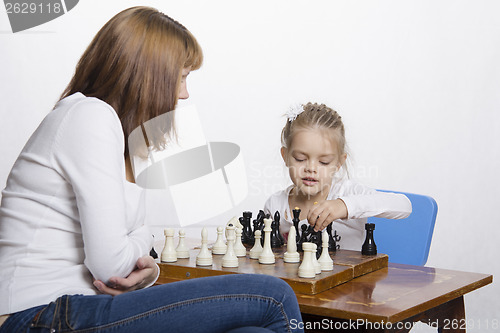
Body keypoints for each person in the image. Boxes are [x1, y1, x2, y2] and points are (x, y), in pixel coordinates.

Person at [0, 7, 303, 333]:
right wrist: (137, 243)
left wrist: (151, 269)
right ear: (149, 74)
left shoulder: (127, 140)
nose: (185, 93)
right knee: (274, 296)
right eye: (182, 76)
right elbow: (111, 265)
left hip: (80, 307)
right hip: (34, 314)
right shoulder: (90, 117)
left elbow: (140, 237)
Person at [264, 102, 412, 250]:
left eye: (324, 162)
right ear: (285, 156)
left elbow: (404, 206)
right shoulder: (275, 204)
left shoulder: (346, 192)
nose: (311, 169)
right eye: (300, 159)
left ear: (338, 163)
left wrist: (344, 206)